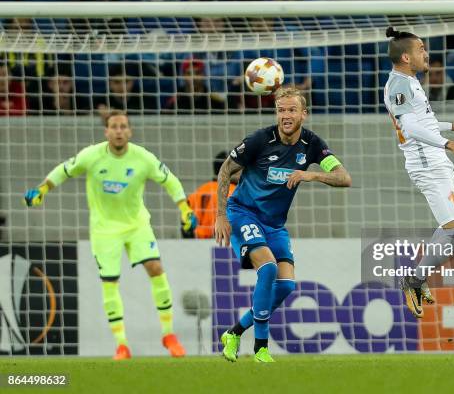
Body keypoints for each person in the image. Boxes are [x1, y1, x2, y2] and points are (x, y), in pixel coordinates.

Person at [23, 110, 197, 360]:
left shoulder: (142, 157)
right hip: (104, 230)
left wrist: (184, 208)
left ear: (130, 131)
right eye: (114, 126)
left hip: (137, 225)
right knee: (110, 281)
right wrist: (42, 189)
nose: (118, 131)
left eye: (123, 126)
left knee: (156, 268)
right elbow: (63, 170)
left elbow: (170, 181)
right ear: (106, 132)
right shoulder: (91, 155)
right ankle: (121, 345)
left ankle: (169, 335)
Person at [214, 87, 351, 362]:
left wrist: (310, 176)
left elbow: (343, 177)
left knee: (286, 285)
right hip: (243, 212)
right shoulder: (259, 140)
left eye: (291, 110)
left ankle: (235, 332)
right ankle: (261, 348)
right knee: (268, 269)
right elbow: (226, 169)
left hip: (274, 224)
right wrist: (221, 215)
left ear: (304, 114)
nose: (285, 116)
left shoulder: (312, 144)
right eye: (281, 110)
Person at [383, 27, 454, 319]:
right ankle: (413, 280)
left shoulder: (408, 81)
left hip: (436, 158)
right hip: (426, 163)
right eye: (421, 50)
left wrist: (453, 126)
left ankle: (418, 276)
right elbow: (409, 127)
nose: (426, 54)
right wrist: (451, 143)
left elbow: (422, 121)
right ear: (406, 56)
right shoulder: (399, 84)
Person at [182, 151, 238, 239]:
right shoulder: (236, 192)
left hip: (199, 244)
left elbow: (185, 225)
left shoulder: (199, 192)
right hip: (227, 244)